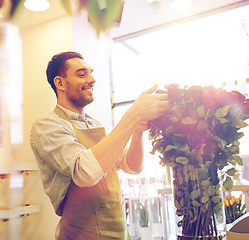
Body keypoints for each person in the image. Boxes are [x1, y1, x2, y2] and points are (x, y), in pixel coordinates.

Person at [30, 51, 169, 240]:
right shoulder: (47, 125)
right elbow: (85, 172)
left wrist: (136, 132)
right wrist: (132, 115)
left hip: (118, 230)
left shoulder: (94, 124)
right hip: (81, 234)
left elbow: (132, 166)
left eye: (91, 72)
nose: (92, 79)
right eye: (82, 74)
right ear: (60, 83)